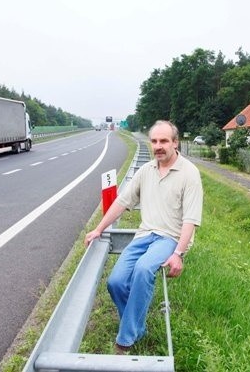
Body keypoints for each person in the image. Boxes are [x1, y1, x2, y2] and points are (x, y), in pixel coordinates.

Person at [84, 120, 203, 354]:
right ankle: (138, 327)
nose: (158, 146)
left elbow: (191, 219)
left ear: (175, 143)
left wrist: (178, 253)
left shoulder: (189, 173)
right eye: (155, 141)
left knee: (142, 271)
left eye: (164, 141)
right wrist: (99, 228)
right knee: (115, 282)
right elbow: (121, 202)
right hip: (144, 235)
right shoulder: (146, 171)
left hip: (169, 238)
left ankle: (125, 341)